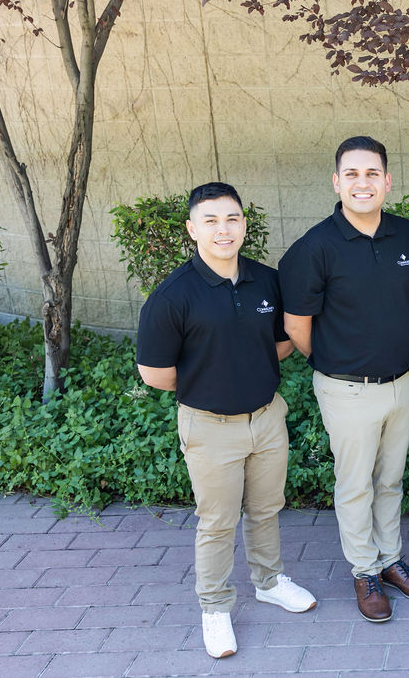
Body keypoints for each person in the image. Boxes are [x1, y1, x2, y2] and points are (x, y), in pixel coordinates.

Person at [136, 182, 317, 659]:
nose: (223, 229)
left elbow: (281, 341)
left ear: (243, 224)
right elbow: (154, 373)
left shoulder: (265, 280)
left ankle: (269, 580)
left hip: (266, 417)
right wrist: (211, 383)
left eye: (232, 219)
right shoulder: (174, 295)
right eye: (211, 221)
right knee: (216, 522)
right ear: (192, 229)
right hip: (209, 427)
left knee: (266, 507)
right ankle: (215, 609)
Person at [277, 136, 409, 624]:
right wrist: (334, 364)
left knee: (390, 479)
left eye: (372, 174)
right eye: (352, 174)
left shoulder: (407, 236)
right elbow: (297, 326)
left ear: (387, 181)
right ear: (337, 181)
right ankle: (364, 571)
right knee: (354, 485)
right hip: (346, 388)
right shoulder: (315, 247)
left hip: (403, 381)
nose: (362, 183)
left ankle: (391, 562)